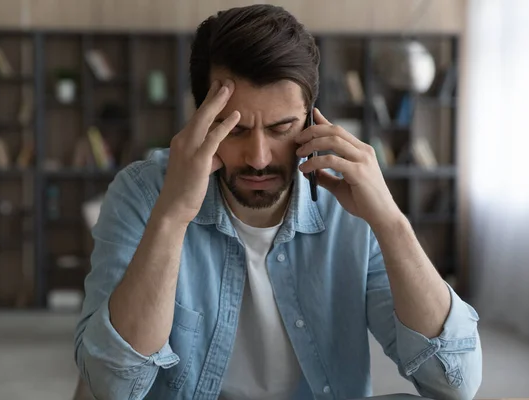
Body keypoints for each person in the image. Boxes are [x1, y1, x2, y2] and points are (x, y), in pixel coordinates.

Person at [74, 4, 482, 400]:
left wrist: (390, 223)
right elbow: (112, 386)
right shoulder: (143, 194)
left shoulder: (349, 202)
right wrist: (172, 217)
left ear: (310, 121)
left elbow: (454, 382)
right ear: (200, 119)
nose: (258, 157)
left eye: (281, 128)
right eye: (233, 130)